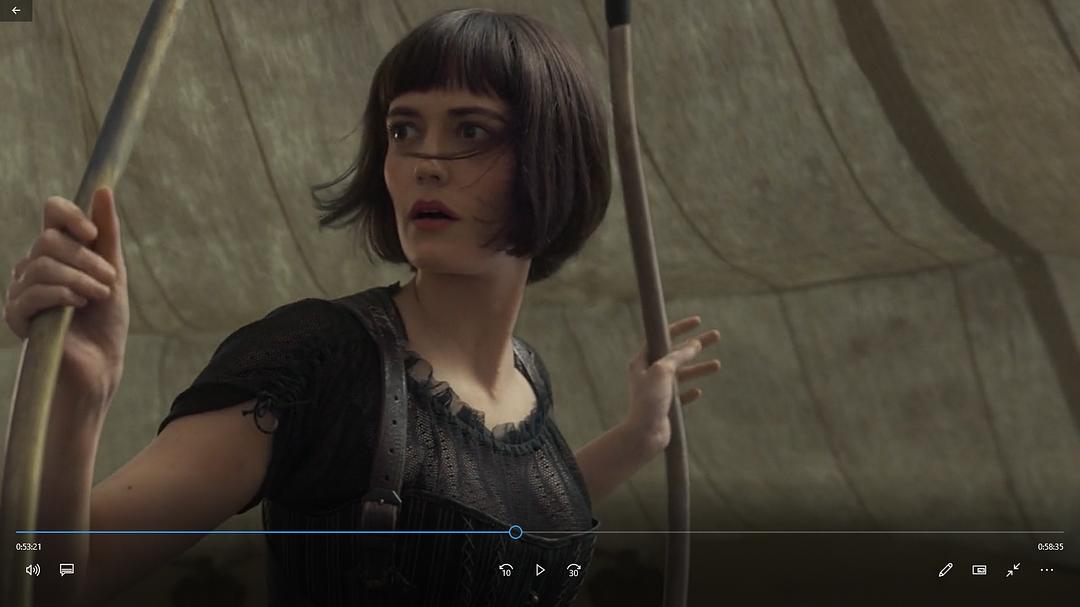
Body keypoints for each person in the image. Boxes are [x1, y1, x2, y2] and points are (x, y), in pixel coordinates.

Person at [3, 8, 720, 606]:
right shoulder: (318, 360)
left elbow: (500, 522)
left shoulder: (527, 375)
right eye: (404, 129)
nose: (425, 162)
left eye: (470, 130)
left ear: (552, 157)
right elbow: (51, 576)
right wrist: (77, 393)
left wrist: (637, 436)